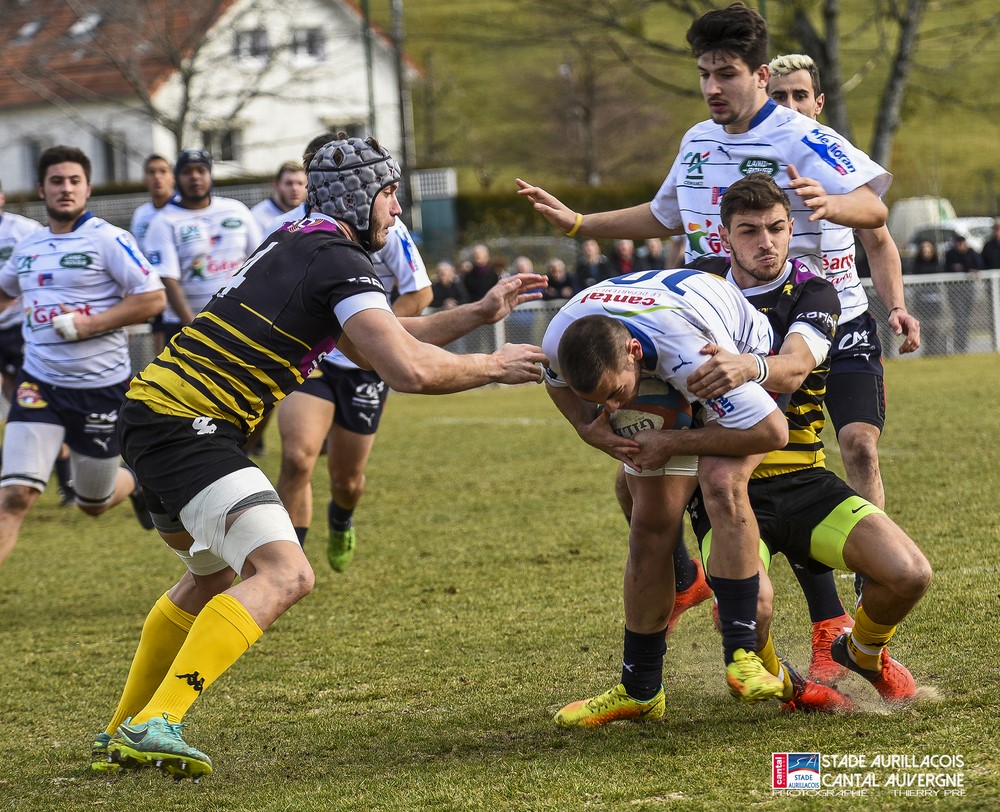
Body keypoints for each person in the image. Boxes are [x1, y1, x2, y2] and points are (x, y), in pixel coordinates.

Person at [94, 134, 548, 780]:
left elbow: (380, 339)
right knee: (287, 574)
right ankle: (154, 722)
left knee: (212, 578)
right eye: (390, 194)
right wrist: (494, 365)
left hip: (156, 415)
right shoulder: (338, 259)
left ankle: (119, 731)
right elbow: (407, 369)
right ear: (363, 197)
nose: (395, 210)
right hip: (190, 427)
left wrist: (478, 312)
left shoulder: (300, 242)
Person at [518, 0, 891, 692]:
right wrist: (578, 222)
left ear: (758, 73)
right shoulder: (695, 141)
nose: (713, 88)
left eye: (725, 74)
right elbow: (662, 216)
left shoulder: (798, 134)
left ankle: (790, 639)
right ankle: (713, 610)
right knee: (641, 486)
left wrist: (833, 204)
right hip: (693, 332)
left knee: (740, 480)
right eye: (703, 75)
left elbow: (874, 206)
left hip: (779, 331)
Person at [682, 176, 930, 707]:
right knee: (749, 611)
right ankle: (795, 686)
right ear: (724, 238)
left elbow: (794, 367)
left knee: (909, 575)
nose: (765, 242)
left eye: (776, 228)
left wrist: (746, 365)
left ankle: (862, 650)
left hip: (804, 480)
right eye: (748, 231)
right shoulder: (695, 285)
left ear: (792, 228)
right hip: (726, 490)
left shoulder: (813, 290)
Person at [542, 261, 791, 720]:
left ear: (634, 352)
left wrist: (672, 442)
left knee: (722, 483)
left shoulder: (691, 355)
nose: (614, 408)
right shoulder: (558, 339)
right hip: (655, 334)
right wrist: (585, 426)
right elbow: (554, 380)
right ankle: (639, 690)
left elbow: (772, 432)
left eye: (616, 393)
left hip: (738, 353)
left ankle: (743, 658)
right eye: (601, 401)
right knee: (649, 524)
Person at [768, 52, 920, 540]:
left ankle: (874, 576)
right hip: (782, 336)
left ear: (819, 102)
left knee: (859, 445)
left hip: (849, 327)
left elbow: (879, 241)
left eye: (799, 95)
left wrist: (896, 305)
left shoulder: (844, 168)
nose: (789, 104)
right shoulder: (753, 169)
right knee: (779, 459)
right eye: (777, 96)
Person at [0, 146, 166, 571]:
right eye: (57, 181)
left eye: (74, 181)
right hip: (38, 383)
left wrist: (90, 324)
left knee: (92, 502)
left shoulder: (110, 239)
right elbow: (5, 293)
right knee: (15, 495)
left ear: (88, 187)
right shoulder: (30, 246)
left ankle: (139, 484)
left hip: (99, 391)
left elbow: (152, 299)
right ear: (41, 189)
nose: (66, 188)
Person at [274, 133, 433, 570]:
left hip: (364, 366)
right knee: (297, 456)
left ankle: (342, 517)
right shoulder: (291, 229)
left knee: (346, 480)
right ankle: (288, 563)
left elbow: (419, 293)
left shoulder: (386, 223)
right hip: (313, 359)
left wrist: (374, 336)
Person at [143, 149, 263, 346]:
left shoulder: (237, 210)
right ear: (177, 177)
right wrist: (193, 327)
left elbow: (259, 261)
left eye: (201, 170)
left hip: (238, 322)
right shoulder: (163, 222)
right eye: (187, 172)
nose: (195, 177)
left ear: (210, 174)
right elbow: (169, 280)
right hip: (185, 328)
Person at [129, 155, 176, 353]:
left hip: (181, 292)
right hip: (156, 292)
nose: (158, 177)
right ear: (145, 179)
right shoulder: (141, 215)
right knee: (162, 355)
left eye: (163, 171)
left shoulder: (180, 211)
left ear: (172, 177)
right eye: (151, 172)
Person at [942, 234, 982, 353]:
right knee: (959, 317)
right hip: (954, 291)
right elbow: (948, 269)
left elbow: (979, 266)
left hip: (968, 290)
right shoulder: (950, 254)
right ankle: (959, 345)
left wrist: (964, 267)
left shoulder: (971, 252)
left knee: (966, 318)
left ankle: (963, 344)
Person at [907, 240, 946, 356]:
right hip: (921, 302)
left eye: (928, 248)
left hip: (935, 302)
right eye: (924, 248)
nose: (926, 251)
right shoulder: (916, 264)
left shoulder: (937, 264)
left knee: (935, 327)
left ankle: (935, 350)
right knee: (924, 327)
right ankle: (927, 350)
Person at [250, 161, 308, 232]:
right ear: (277, 185)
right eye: (289, 183)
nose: (295, 189)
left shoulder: (311, 215)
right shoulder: (257, 216)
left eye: (300, 183)